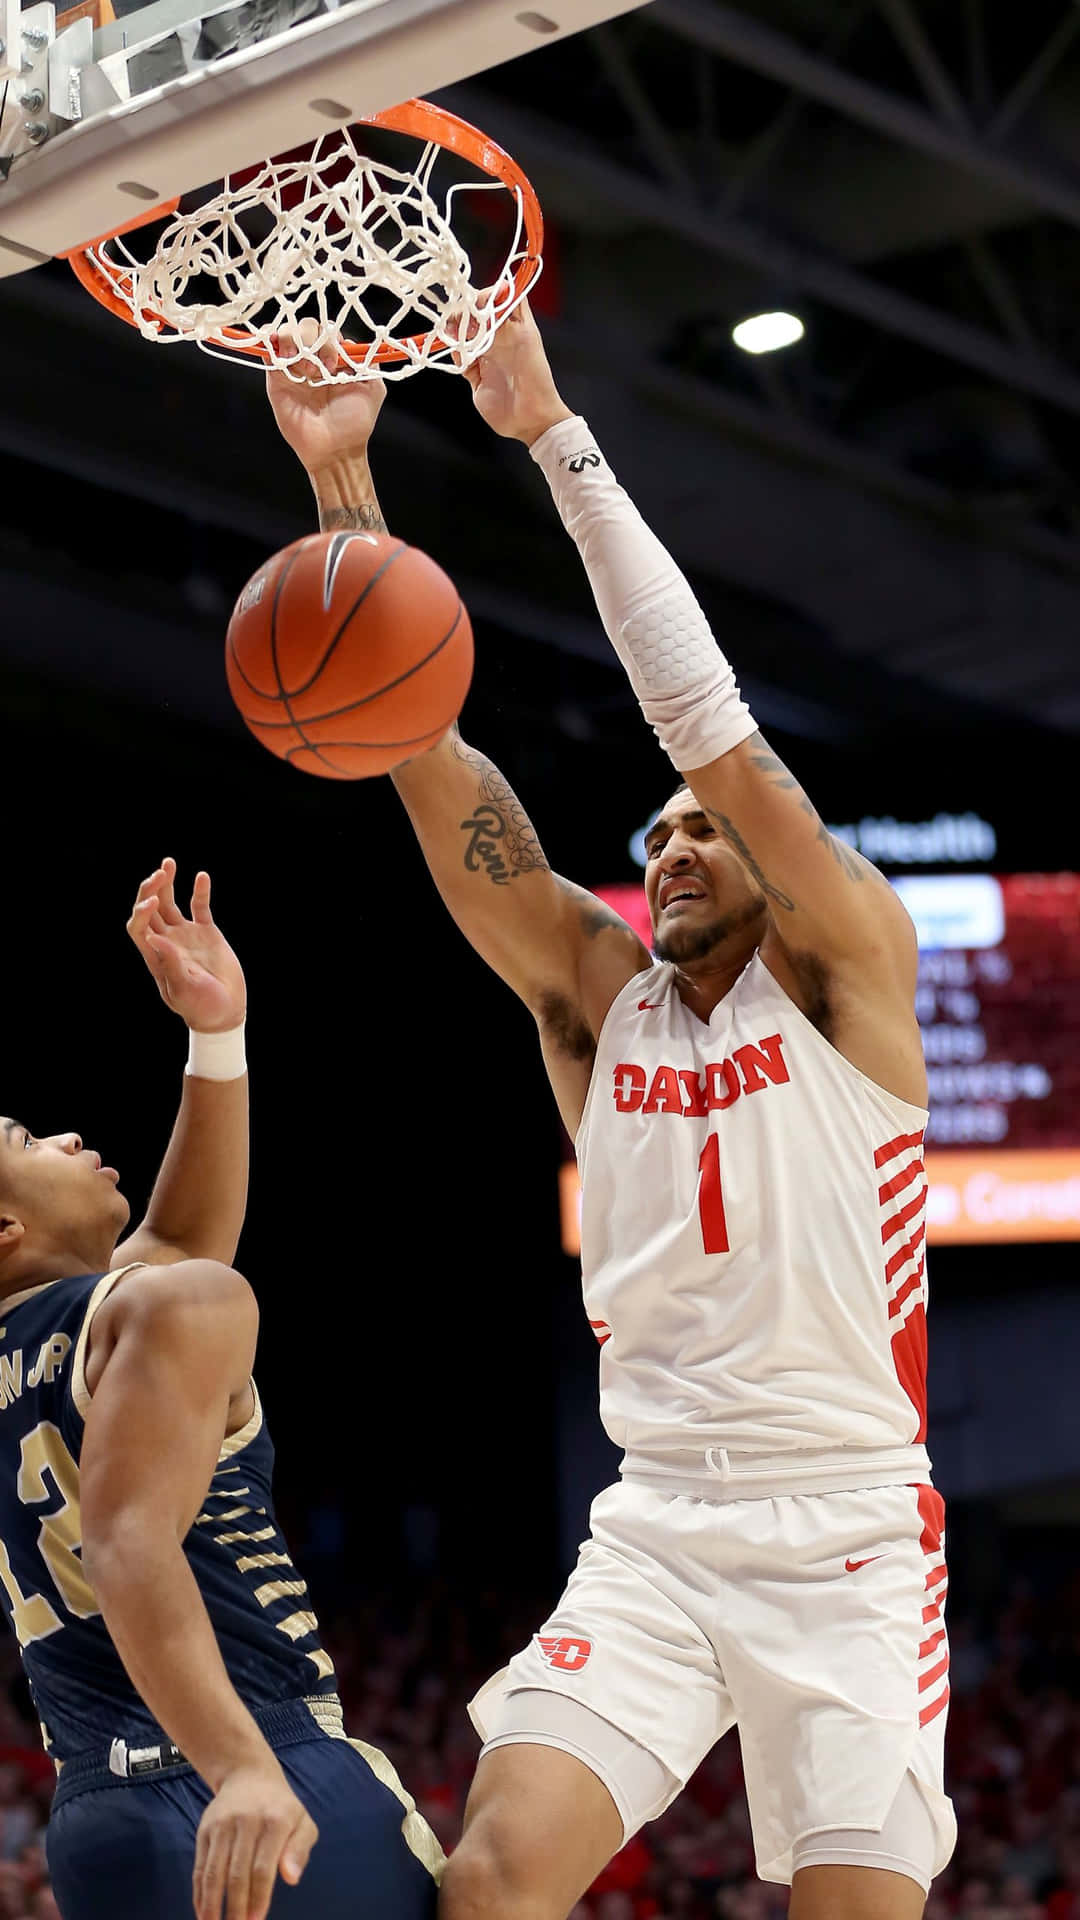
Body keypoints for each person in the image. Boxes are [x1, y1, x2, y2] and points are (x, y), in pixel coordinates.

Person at [268, 307, 956, 1920]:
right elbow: (413, 732)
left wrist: (553, 440)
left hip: (848, 1536)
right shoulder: (597, 1000)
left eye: (705, 833)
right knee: (491, 1883)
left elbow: (706, 723)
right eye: (653, 837)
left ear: (778, 865)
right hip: (657, 1523)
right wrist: (345, 477)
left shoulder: (854, 982)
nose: (672, 844)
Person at [0, 859, 442, 1920]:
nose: (66, 1135)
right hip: (259, 1758)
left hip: (97, 1819)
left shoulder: (107, 1324)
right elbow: (127, 1544)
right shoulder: (177, 1307)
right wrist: (240, 1764)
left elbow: (175, 1250)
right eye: (26, 1142)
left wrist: (216, 1035)